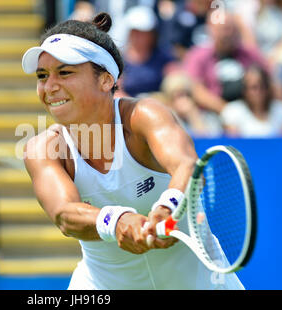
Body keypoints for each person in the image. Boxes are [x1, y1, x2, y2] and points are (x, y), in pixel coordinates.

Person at [21, 12, 243, 289]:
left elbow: (187, 166)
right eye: (42, 76)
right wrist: (116, 221)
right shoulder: (42, 148)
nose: (50, 87)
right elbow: (64, 214)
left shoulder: (144, 116)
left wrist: (168, 207)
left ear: (105, 80)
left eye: (64, 72)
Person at [183, 12, 268, 114]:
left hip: (251, 111)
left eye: (232, 29)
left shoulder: (249, 54)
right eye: (224, 29)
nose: (228, 34)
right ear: (211, 30)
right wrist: (226, 110)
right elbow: (196, 90)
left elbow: (269, 80)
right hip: (213, 113)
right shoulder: (198, 55)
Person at [116, 5, 174, 98]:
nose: (138, 36)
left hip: (159, 105)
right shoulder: (118, 60)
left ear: (152, 34)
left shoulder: (163, 57)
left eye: (143, 32)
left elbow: (175, 80)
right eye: (135, 31)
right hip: (128, 108)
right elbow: (116, 92)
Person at [220, 65, 282, 137]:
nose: (258, 92)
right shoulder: (232, 111)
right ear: (244, 90)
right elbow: (234, 143)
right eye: (254, 88)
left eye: (262, 87)